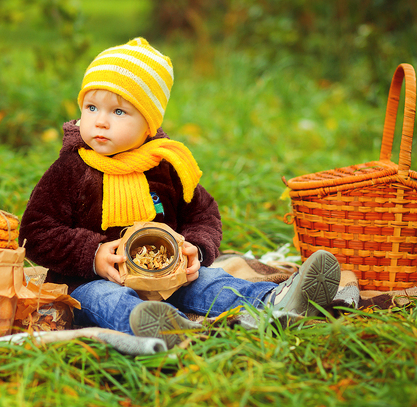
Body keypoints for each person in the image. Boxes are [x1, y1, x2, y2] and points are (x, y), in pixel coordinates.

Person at [19, 37, 341, 349]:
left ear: (148, 125)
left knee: (209, 281)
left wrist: (196, 250)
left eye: (118, 112)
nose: (100, 122)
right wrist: (92, 255)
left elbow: (203, 214)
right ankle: (159, 324)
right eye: (92, 107)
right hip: (93, 280)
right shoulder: (71, 170)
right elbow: (35, 231)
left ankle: (278, 301)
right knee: (105, 300)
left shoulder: (166, 165)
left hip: (167, 276)